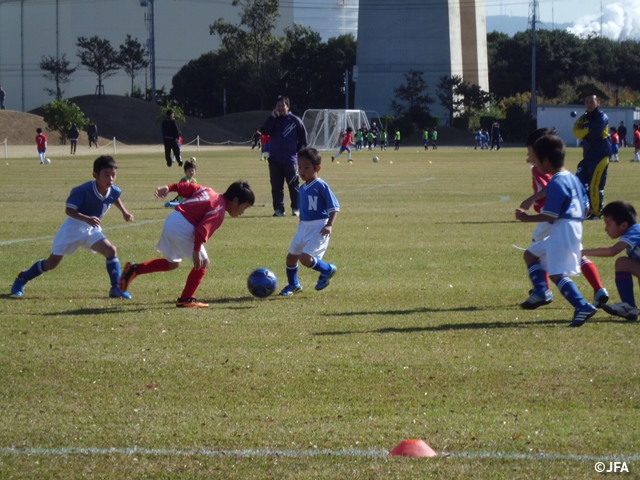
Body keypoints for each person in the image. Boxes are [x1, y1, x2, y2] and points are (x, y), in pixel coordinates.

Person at [11, 156, 134, 299]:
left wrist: (125, 212)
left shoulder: (113, 190)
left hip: (91, 229)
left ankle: (116, 289)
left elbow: (114, 196)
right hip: (73, 228)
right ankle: (22, 278)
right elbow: (69, 211)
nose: (111, 179)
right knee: (51, 264)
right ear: (95, 175)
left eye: (113, 175)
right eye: (106, 175)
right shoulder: (83, 190)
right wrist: (87, 218)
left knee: (110, 250)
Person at [118, 181, 254, 308]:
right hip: (182, 228)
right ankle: (185, 299)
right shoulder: (219, 209)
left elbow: (189, 187)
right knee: (203, 263)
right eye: (245, 207)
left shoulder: (209, 191)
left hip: (172, 220)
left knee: (173, 263)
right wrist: (196, 251)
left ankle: (135, 269)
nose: (243, 212)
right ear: (235, 201)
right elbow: (201, 231)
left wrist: (170, 188)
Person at [519, 127, 608, 310]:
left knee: (535, 253)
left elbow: (550, 186)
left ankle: (544, 290)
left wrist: (532, 199)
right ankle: (599, 289)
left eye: (530, 150)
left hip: (554, 217)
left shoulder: (544, 169)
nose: (529, 155)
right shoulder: (568, 174)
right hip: (573, 215)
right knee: (575, 252)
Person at [278, 148, 339, 297]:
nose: (302, 171)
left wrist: (329, 224)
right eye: (299, 167)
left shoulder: (321, 185)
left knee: (305, 258)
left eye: (306, 167)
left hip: (319, 227)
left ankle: (327, 269)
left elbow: (334, 207)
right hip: (304, 227)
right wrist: (301, 223)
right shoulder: (303, 187)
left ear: (317, 168)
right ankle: (293, 284)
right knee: (291, 257)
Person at [582, 201, 640, 321]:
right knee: (625, 262)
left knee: (622, 263)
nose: (605, 229)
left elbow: (611, 251)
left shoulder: (634, 232)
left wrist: (582, 252)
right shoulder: (634, 234)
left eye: (608, 224)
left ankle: (629, 307)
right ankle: (629, 307)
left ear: (623, 225)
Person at [260, 95, 307, 217]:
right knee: (276, 186)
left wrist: (297, 154)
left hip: (290, 159)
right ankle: (279, 210)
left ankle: (296, 208)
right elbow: (264, 131)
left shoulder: (295, 121)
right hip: (275, 159)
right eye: (278, 105)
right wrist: (271, 118)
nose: (280, 108)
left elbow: (303, 141)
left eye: (282, 105)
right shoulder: (274, 120)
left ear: (288, 106)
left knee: (294, 185)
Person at [572, 95, 612, 218]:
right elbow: (575, 132)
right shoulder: (583, 118)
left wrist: (586, 131)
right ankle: (587, 207)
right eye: (587, 102)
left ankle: (597, 212)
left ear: (598, 103)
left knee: (594, 184)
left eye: (592, 102)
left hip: (601, 155)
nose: (589, 104)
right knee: (578, 181)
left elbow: (595, 133)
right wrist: (587, 130)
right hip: (588, 157)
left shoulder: (602, 117)